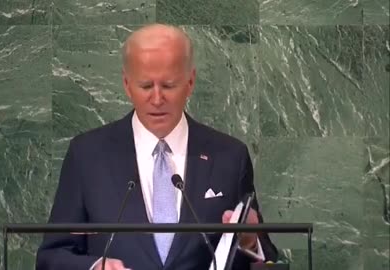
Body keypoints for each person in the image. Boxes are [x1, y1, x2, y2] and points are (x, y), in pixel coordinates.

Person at [36, 24, 278, 270]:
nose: (157, 98)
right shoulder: (87, 155)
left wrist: (250, 241)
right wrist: (95, 267)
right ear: (127, 84)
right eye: (145, 86)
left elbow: (267, 258)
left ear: (190, 82)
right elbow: (52, 256)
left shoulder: (229, 156)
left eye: (169, 85)